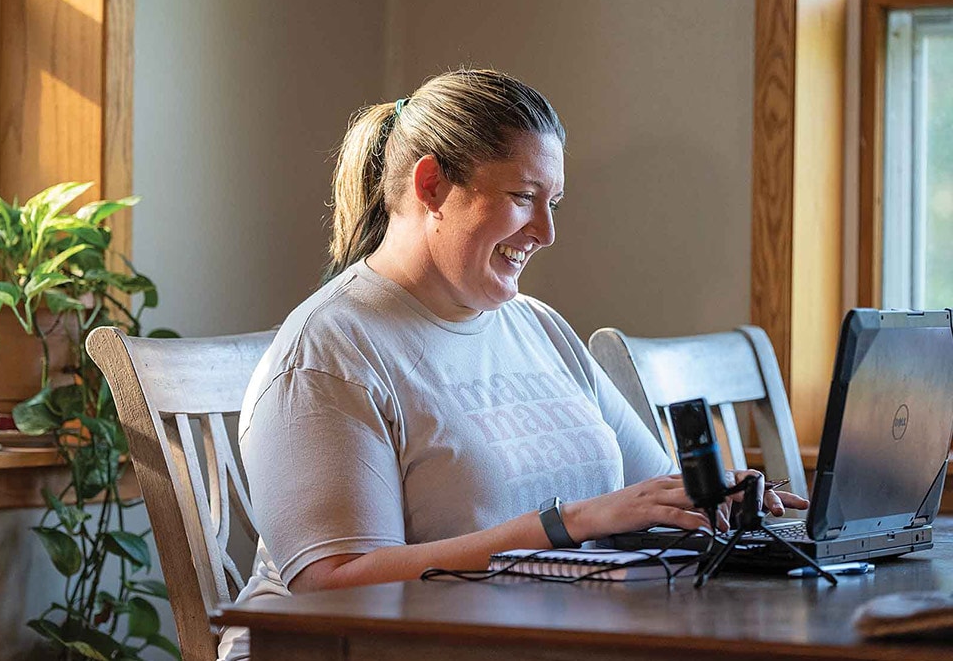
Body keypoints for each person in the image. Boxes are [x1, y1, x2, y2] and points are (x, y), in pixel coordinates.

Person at [221, 68, 807, 658]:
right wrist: (563, 525)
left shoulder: (537, 326)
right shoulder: (329, 353)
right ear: (431, 186)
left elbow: (646, 494)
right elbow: (330, 585)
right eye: (523, 197)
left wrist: (711, 501)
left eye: (551, 203)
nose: (547, 232)